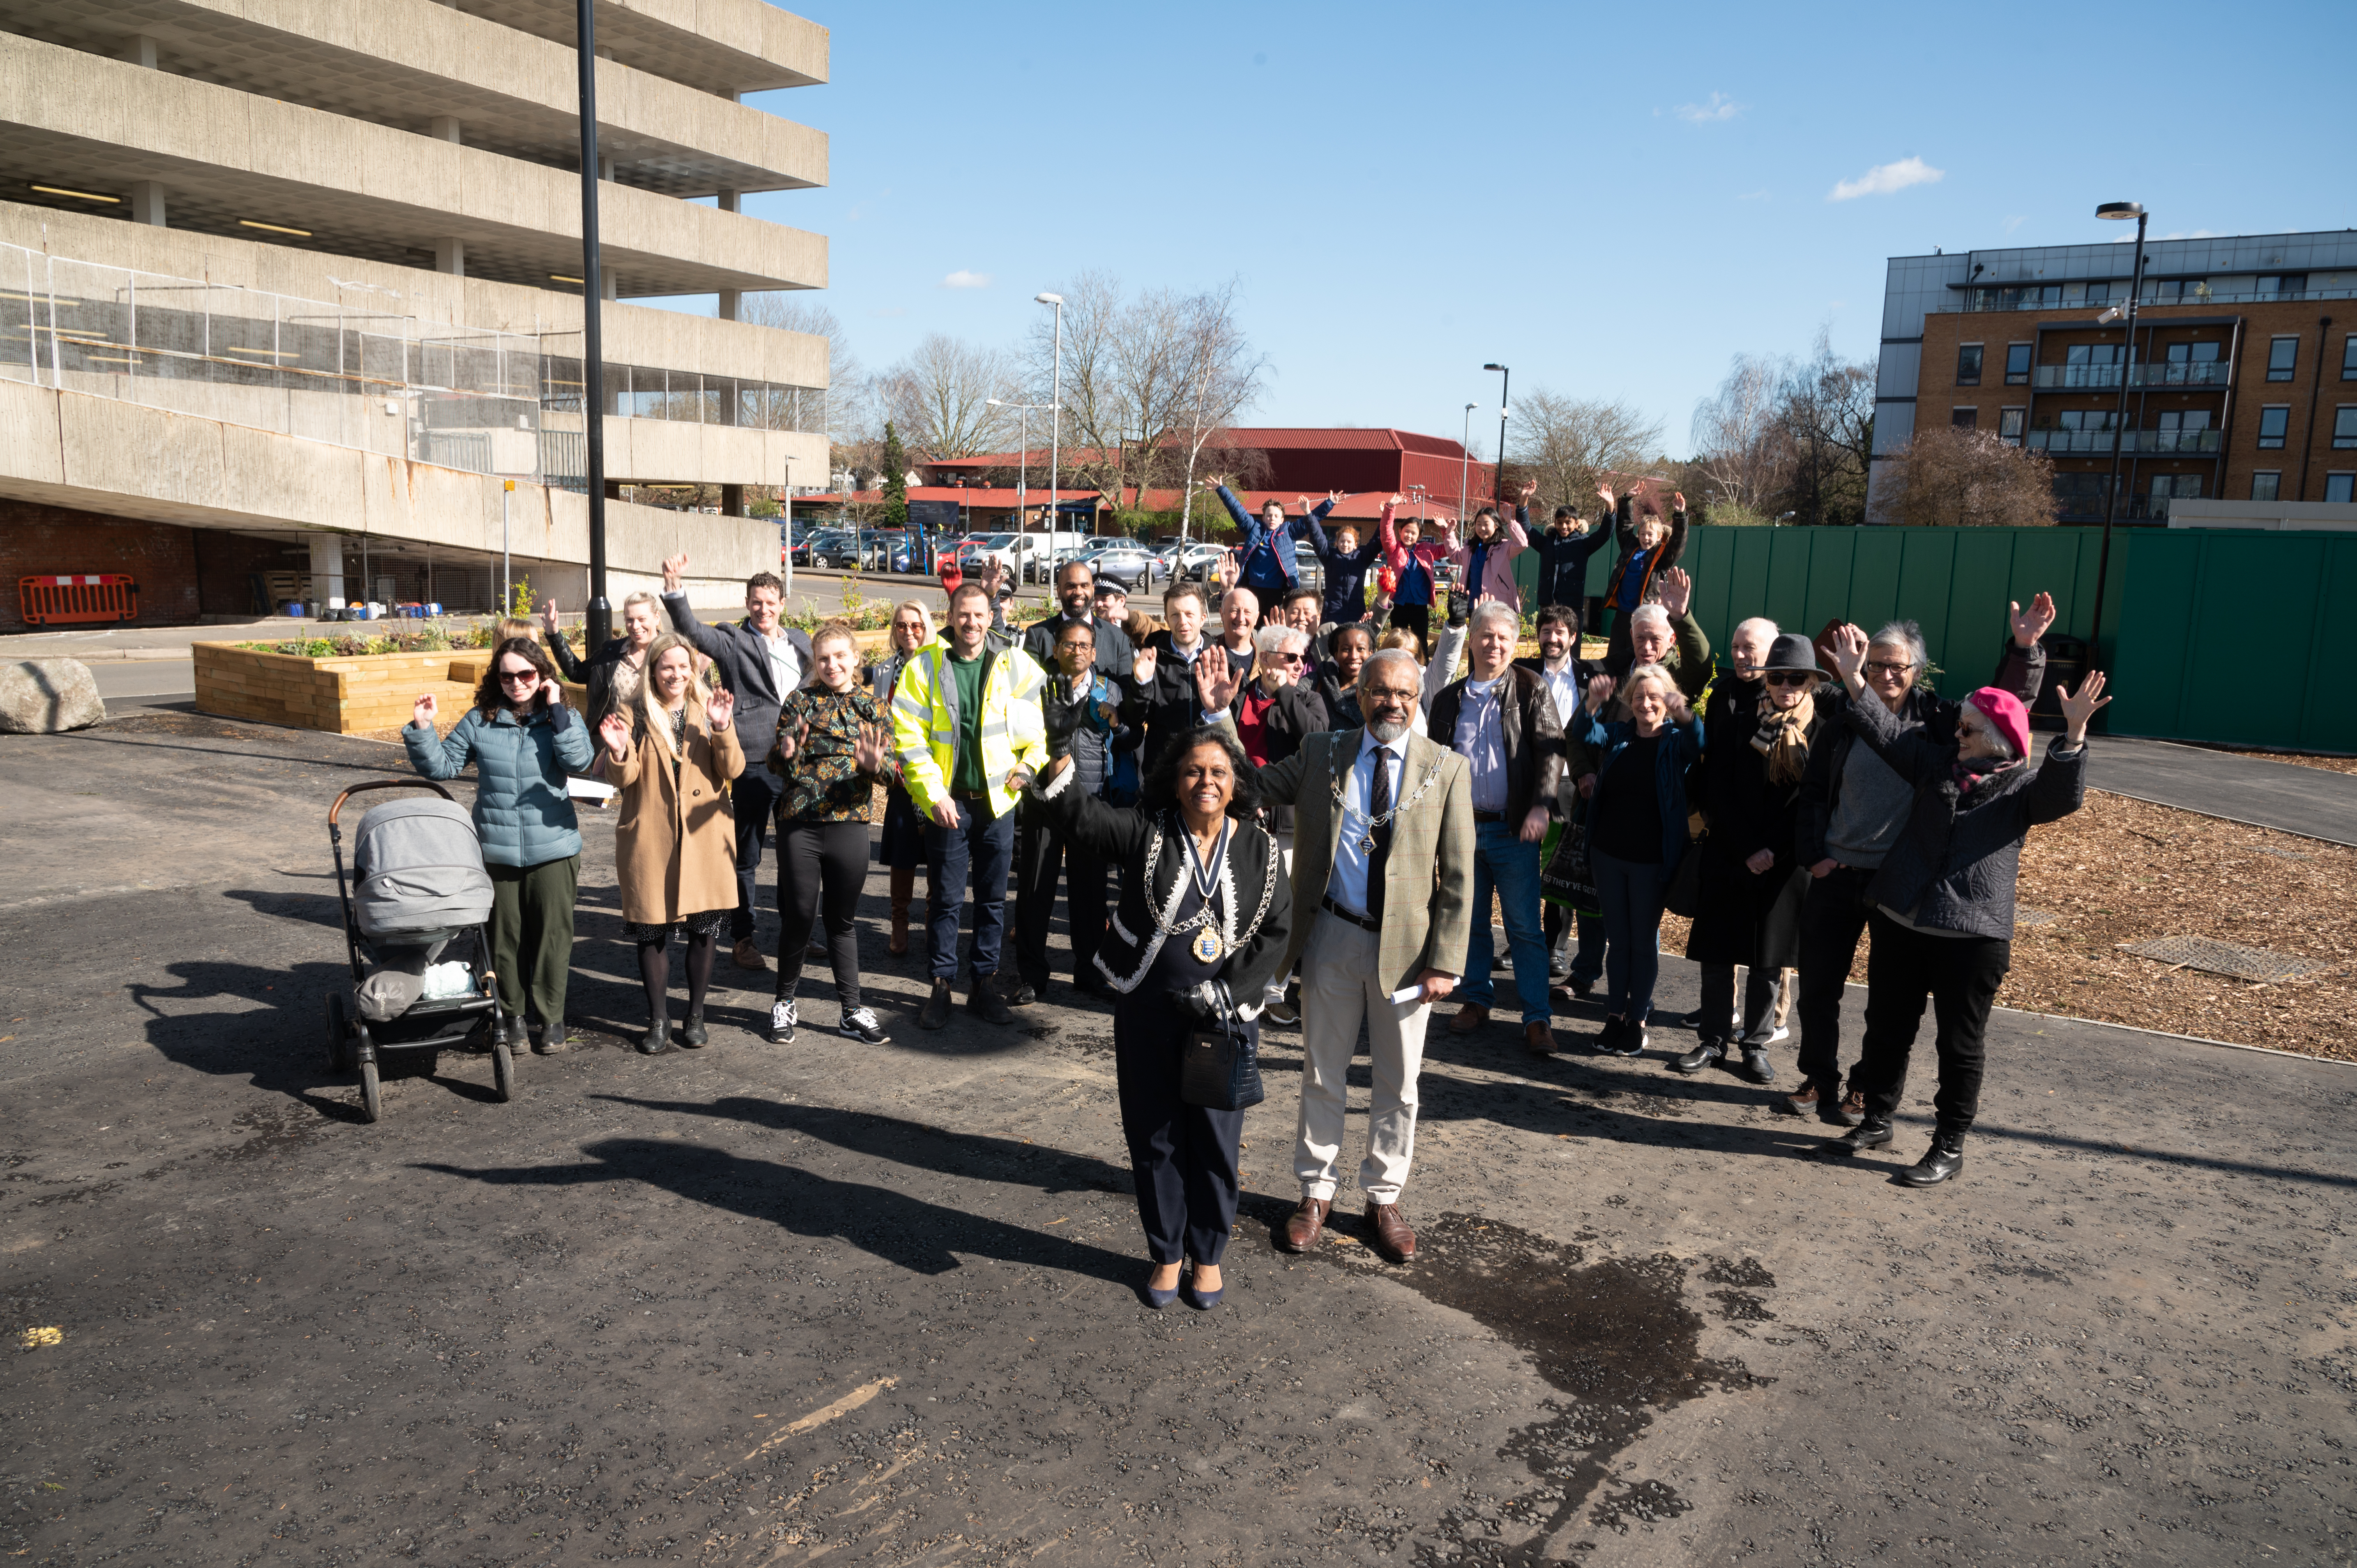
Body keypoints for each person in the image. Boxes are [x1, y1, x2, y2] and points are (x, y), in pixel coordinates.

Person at [1196, 648, 1474, 1266]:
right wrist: (1219, 718)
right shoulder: (1324, 753)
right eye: (1381, 692)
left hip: (1407, 954)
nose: (1392, 704)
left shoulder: (1446, 769)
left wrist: (1446, 959)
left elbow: (1459, 875)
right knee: (1323, 1072)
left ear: (1419, 698)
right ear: (1361, 694)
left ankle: (1383, 1197)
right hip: (1331, 939)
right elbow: (1254, 786)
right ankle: (1315, 1192)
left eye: (1405, 693)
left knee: (1398, 1084)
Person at [1816, 624, 2104, 1187]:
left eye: (1970, 728)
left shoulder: (2021, 792)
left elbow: (2062, 797)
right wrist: (1855, 681)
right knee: (1887, 1028)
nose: (1959, 732)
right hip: (1903, 920)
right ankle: (1877, 1117)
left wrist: (2071, 737)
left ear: (1997, 738)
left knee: (1959, 1044)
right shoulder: (1937, 767)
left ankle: (1948, 1144)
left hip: (1971, 938)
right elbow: (1884, 732)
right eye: (1962, 724)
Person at [1027, 726, 1292, 1309]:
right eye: (1194, 771)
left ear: (1235, 784)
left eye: (1219, 773)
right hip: (1147, 1010)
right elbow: (1086, 821)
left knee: (1217, 1144)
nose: (1206, 781)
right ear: (1175, 782)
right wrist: (1052, 764)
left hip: (1224, 1023)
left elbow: (1276, 933)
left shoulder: (1260, 850)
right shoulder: (1147, 833)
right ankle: (1167, 1253)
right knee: (1155, 1138)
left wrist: (1227, 993)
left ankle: (1210, 1256)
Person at [1787, 597, 2053, 1123]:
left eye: (1898, 666)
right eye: (1877, 664)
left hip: (1898, 885)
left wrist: (2025, 649)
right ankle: (1820, 1076)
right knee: (1818, 987)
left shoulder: (1939, 723)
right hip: (1837, 872)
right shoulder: (1843, 720)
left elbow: (2002, 709)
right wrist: (1815, 855)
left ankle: (1864, 1089)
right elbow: (1814, 793)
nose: (1887, 673)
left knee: (1886, 1006)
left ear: (1917, 671)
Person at [405, 638, 592, 1053]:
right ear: (497, 679)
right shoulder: (481, 720)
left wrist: (557, 707)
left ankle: (552, 1018)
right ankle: (513, 1016)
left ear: (542, 675)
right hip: (496, 851)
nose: (516, 683)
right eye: (507, 675)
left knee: (552, 937)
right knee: (504, 939)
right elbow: (443, 766)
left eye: (526, 674)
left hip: (555, 848)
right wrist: (423, 729)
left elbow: (578, 760)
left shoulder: (562, 717)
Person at [890, 581, 1051, 1029]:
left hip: (998, 804)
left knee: (992, 900)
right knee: (944, 899)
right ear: (952, 614)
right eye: (964, 614)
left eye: (980, 614)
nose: (972, 623)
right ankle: (941, 985)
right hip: (949, 805)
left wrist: (1029, 768)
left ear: (990, 616)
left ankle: (984, 984)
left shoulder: (1013, 662)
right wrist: (934, 796)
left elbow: (1036, 732)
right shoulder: (925, 665)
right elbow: (909, 739)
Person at [1675, 631, 1825, 1083]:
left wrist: (1772, 850)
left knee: (1768, 959)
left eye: (1795, 678)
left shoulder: (1821, 732)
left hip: (1784, 862)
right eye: (1776, 677)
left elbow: (1813, 801)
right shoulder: (1741, 722)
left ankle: (1755, 1044)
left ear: (1810, 683)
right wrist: (1746, 848)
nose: (1785, 686)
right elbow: (1714, 786)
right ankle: (1713, 1039)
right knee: (1719, 953)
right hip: (1733, 853)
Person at [658, 553, 815, 973]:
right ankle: (743, 938)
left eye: (771, 602)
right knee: (746, 855)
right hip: (752, 760)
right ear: (748, 604)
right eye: (756, 602)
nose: (763, 609)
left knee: (796, 853)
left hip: (798, 763)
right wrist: (675, 591)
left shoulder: (800, 641)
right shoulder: (733, 640)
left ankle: (795, 935)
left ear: (783, 603)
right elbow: (692, 632)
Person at [593, 632, 743, 1054]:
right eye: (666, 667)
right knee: (652, 929)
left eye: (682, 666)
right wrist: (620, 752)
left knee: (703, 929)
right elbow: (624, 780)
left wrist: (722, 727)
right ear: (652, 670)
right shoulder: (634, 711)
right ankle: (658, 1018)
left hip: (705, 837)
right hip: (652, 838)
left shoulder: (708, 707)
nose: (675, 674)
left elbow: (733, 768)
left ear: (693, 667)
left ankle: (695, 1014)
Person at [1429, 600, 1566, 1056]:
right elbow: (1434, 765)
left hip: (1513, 831)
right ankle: (1476, 999)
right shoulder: (1449, 699)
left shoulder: (1531, 688)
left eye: (1503, 637)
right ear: (1471, 639)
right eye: (1486, 635)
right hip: (1462, 830)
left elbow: (1551, 751)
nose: (1494, 644)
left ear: (1514, 644)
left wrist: (1542, 806)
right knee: (1468, 924)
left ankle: (1537, 1017)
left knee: (1525, 927)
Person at [767, 622, 894, 1046]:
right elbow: (776, 762)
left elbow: (892, 774)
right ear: (814, 663)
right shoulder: (799, 702)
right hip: (799, 825)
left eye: (840, 656)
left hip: (849, 825)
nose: (832, 664)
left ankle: (852, 1011)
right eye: (824, 658)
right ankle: (784, 1003)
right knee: (800, 916)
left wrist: (876, 766)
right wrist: (786, 753)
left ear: (856, 658)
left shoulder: (872, 708)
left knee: (841, 921)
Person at [1573, 662, 1704, 1058]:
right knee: (1619, 940)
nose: (1646, 703)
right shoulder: (1619, 735)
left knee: (1643, 942)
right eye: (1639, 696)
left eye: (1655, 696)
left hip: (1652, 861)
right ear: (1629, 701)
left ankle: (1638, 1021)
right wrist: (1593, 702)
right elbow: (1583, 732)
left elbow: (1699, 742)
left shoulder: (1676, 741)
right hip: (1608, 855)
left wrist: (1684, 713)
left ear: (1667, 701)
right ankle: (1615, 1015)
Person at [1016, 617, 1131, 999]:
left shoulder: (1110, 691)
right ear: (1055, 649)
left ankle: (1090, 971)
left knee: (1090, 893)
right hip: (1043, 800)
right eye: (1069, 645)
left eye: (1084, 645)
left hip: (1090, 803)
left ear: (1095, 652)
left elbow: (1129, 739)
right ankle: (1032, 975)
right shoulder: (1036, 688)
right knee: (1035, 889)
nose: (1077, 651)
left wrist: (1122, 724)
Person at [1232, 623, 1328, 1024]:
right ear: (1265, 657)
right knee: (1242, 904)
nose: (1298, 665)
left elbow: (1318, 738)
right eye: (1289, 658)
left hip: (1288, 823)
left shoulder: (1310, 697)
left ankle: (1275, 991)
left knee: (1283, 908)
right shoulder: (1240, 696)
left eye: (1301, 659)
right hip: (1242, 817)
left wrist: (1286, 694)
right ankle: (1240, 983)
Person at [1518, 604, 1607, 992]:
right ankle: (1523, 941)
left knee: (1563, 868)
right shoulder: (1521, 672)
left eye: (1560, 633)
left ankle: (1555, 946)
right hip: (1528, 782)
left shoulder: (1595, 676)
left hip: (1573, 783)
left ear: (1574, 638)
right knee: (1523, 863)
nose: (1552, 639)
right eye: (1546, 631)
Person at [871, 600, 936, 957]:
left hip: (934, 773)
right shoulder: (885, 671)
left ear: (927, 627)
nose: (909, 631)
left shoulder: (940, 664)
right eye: (901, 625)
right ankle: (899, 923)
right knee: (903, 853)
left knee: (938, 852)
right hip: (899, 775)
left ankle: (931, 919)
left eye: (916, 625)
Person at [1596, 485, 1690, 673]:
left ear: (1659, 537)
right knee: (1615, 657)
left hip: (1644, 614)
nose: (1646, 538)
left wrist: (1680, 516)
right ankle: (1611, 693)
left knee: (1638, 658)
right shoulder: (1631, 548)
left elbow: (1678, 543)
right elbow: (1624, 527)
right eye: (1642, 534)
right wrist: (1627, 500)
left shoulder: (1662, 555)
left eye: (1650, 535)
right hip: (1624, 614)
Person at [542, 591, 663, 724]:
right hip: (616, 742)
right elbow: (577, 673)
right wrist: (554, 635)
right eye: (630, 620)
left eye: (642, 619)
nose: (635, 626)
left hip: (656, 741)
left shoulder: (671, 653)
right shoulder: (611, 652)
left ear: (657, 617)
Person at [1209, 475, 1323, 600]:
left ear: (1282, 520)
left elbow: (1312, 521)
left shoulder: (1290, 532)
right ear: (1263, 518)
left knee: (1275, 621)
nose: (1272, 518)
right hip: (1253, 589)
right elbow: (1237, 510)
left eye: (1276, 516)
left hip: (1277, 592)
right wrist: (1221, 489)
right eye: (1269, 515)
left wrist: (1328, 504)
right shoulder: (1254, 528)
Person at [1023, 558, 1134, 683]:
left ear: (1093, 590)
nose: (1079, 592)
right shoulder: (1038, 636)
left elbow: (1126, 691)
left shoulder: (1119, 637)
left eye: (1084, 586)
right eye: (1071, 586)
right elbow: (1028, 689)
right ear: (1059, 592)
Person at [1613, 569, 1713, 698]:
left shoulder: (1677, 677)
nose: (1647, 647)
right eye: (1641, 638)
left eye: (1656, 639)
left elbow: (1700, 669)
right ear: (1632, 635)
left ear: (1671, 640)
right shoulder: (1617, 671)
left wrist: (1680, 616)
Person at [1521, 489, 1617, 615]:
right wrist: (1524, 499)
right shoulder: (1546, 543)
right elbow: (1526, 529)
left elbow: (1605, 533)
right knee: (1547, 635)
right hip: (1548, 605)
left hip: (1573, 606)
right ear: (1555, 523)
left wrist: (1610, 505)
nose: (1564, 526)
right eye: (1560, 523)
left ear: (1577, 524)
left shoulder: (1584, 544)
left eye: (1568, 523)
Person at [1379, 505, 1457, 653]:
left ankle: (1423, 672)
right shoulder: (1394, 549)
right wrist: (1390, 508)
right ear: (1400, 532)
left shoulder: (1427, 549)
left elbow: (1448, 550)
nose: (1409, 535)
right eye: (1406, 531)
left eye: (1413, 533)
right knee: (1397, 643)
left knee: (1421, 644)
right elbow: (1385, 531)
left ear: (1420, 537)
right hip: (1399, 604)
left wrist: (1446, 531)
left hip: (1419, 605)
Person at [1301, 495, 1387, 625]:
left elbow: (1376, 541)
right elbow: (1317, 536)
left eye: (1349, 542)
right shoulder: (1329, 556)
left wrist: (1385, 517)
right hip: (1332, 613)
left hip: (1356, 612)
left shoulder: (1362, 557)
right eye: (1342, 541)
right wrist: (1308, 512)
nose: (1345, 544)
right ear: (1337, 543)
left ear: (1356, 545)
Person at [1449, 504, 1532, 614]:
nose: (1482, 528)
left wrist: (1510, 521)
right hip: (1471, 604)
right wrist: (1450, 532)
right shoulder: (1470, 548)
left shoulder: (1504, 548)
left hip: (1496, 607)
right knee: (1474, 631)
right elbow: (1455, 555)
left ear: (1496, 525)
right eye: (1479, 524)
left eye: (1486, 524)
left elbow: (1522, 544)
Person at [1315, 621, 1376, 729]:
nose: (1353, 656)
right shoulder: (1320, 679)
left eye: (1361, 649)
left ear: (1371, 654)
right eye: (1346, 649)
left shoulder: (1378, 690)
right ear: (1336, 655)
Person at [1276, 586, 1330, 663]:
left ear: (1318, 619)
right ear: (1284, 616)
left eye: (1307, 613)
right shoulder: (1274, 647)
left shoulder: (1328, 647)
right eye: (1295, 612)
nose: (1301, 618)